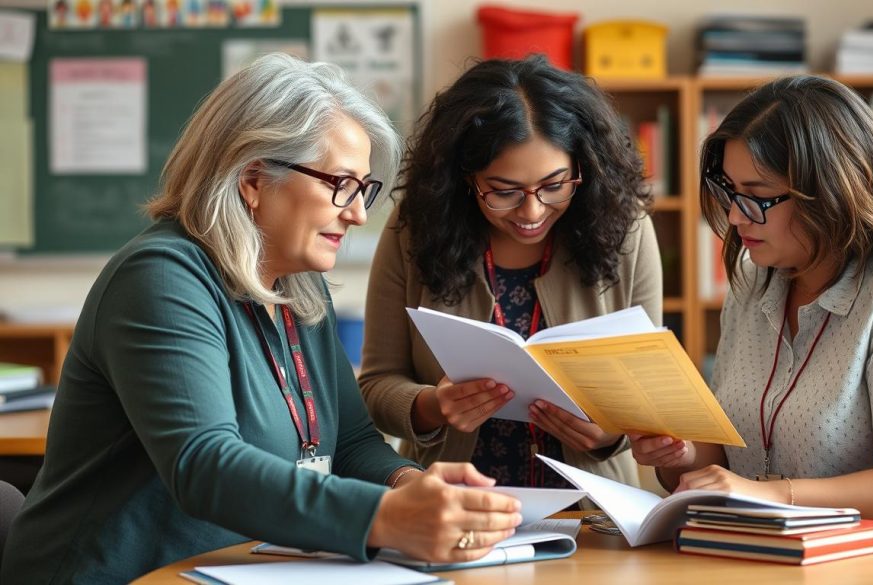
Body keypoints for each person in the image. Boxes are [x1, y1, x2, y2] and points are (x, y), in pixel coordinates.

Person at [1, 54, 522, 584]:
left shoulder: (298, 283)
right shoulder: (160, 277)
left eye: (363, 189)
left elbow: (350, 444)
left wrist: (407, 485)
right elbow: (204, 465)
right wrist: (384, 519)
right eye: (340, 184)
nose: (358, 214)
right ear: (254, 178)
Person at [630, 75, 873, 547]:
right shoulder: (755, 277)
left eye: (758, 195)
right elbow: (729, 464)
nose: (737, 217)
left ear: (831, 190)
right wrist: (680, 456)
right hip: (780, 555)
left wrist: (768, 496)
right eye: (730, 191)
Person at [359, 55, 662, 490]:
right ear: (464, 178)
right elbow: (375, 385)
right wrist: (433, 406)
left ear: (584, 167)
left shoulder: (626, 228)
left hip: (593, 513)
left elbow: (649, 394)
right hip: (453, 504)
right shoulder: (417, 228)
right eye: (504, 192)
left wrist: (611, 433)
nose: (532, 211)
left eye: (554, 185)